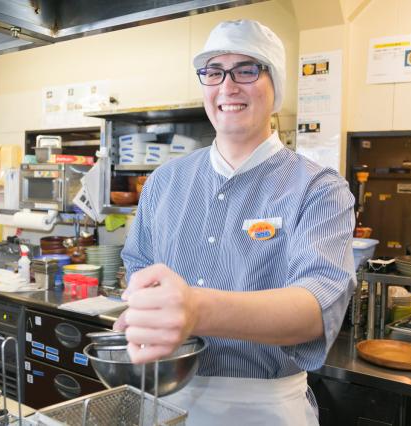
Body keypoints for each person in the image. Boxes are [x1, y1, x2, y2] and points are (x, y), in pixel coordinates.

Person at [115, 19, 356, 426]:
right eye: (213, 72)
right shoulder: (163, 183)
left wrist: (195, 308)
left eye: (247, 69)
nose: (227, 86)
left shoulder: (317, 188)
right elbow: (139, 269)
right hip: (165, 399)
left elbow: (316, 309)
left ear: (275, 88)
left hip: (264, 409)